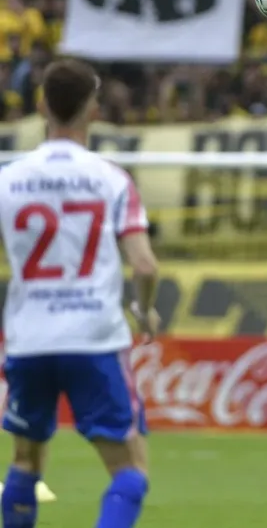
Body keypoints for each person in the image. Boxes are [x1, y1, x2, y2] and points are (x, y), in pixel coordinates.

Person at [0, 58, 160, 528]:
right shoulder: (111, 179)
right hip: (94, 338)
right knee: (130, 473)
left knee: (26, 464)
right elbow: (145, 264)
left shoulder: (8, 179)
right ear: (94, 110)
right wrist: (143, 309)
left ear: (42, 105)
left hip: (29, 339)